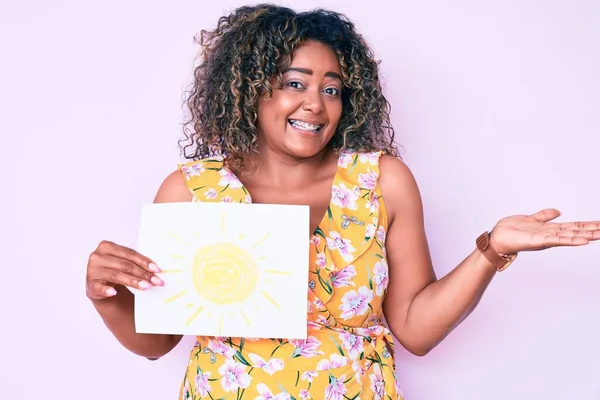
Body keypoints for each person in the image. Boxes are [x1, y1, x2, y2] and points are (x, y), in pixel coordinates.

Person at [85, 4, 600, 399]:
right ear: (248, 90)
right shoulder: (190, 191)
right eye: (294, 83)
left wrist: (492, 250)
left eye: (332, 89)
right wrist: (107, 296)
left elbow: (416, 331)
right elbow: (157, 343)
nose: (315, 103)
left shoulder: (382, 182)